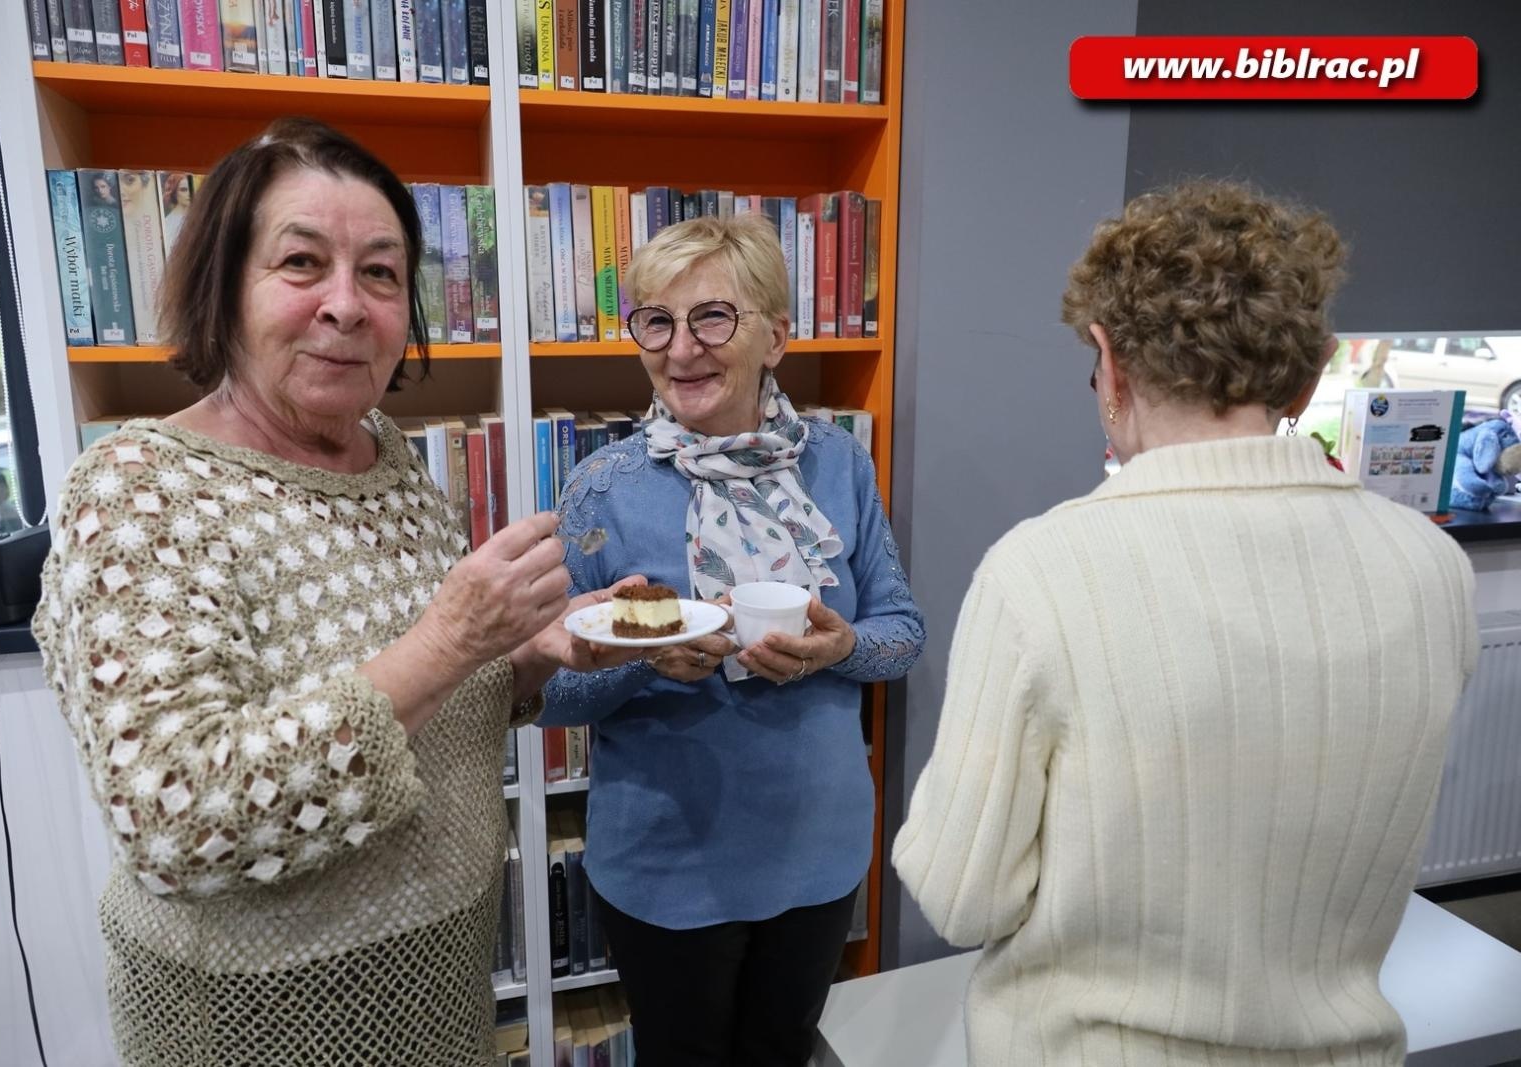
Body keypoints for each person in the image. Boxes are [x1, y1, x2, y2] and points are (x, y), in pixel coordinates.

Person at [33, 118, 638, 1067]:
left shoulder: (389, 462)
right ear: (225, 287)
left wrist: (524, 652)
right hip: (256, 1021)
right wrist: (449, 638)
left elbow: (424, 702)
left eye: (383, 274)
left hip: (441, 986)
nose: (347, 306)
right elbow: (176, 820)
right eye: (302, 263)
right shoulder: (139, 490)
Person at [894, 180, 1479, 1065]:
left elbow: (959, 896)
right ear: (1315, 368)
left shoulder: (1044, 572)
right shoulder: (1431, 565)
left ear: (1109, 362)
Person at [542, 214, 926, 1066]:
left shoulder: (839, 464)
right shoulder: (601, 487)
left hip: (817, 850)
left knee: (782, 1054)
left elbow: (902, 633)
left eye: (713, 317)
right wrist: (640, 661)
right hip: (667, 863)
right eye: (657, 321)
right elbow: (545, 695)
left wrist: (839, 649)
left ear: (776, 336)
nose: (682, 349)